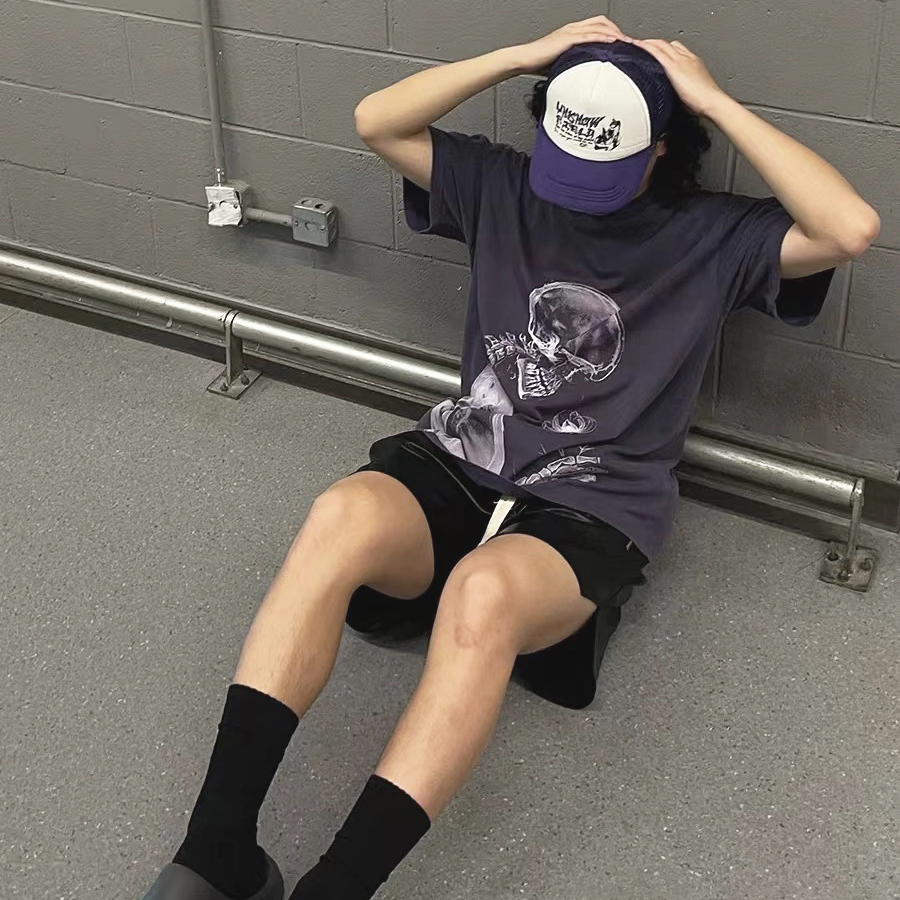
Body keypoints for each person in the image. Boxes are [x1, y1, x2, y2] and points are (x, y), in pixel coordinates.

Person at [140, 15, 880, 900]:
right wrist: (523, 56)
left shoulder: (713, 236)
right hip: (464, 454)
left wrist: (711, 100)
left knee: (481, 595)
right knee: (339, 514)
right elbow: (377, 119)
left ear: (660, 151)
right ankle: (214, 849)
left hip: (594, 501)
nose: (576, 196)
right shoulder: (507, 186)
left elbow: (849, 228)